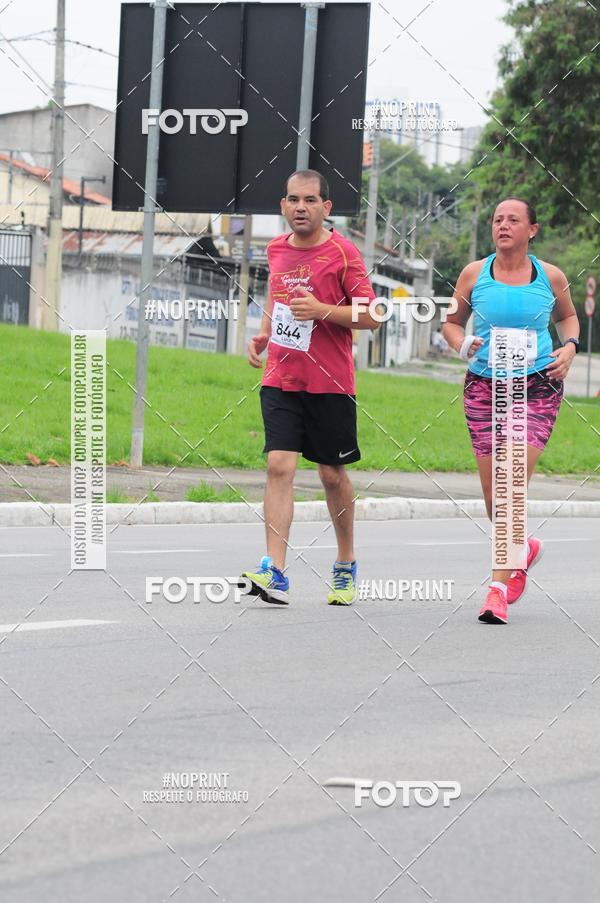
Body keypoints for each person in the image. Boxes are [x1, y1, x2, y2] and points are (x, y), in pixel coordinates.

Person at [240, 169, 379, 606]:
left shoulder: (343, 253)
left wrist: (322, 310)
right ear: (283, 205)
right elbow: (277, 296)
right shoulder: (276, 249)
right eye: (293, 199)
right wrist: (264, 333)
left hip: (330, 383)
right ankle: (275, 570)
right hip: (282, 377)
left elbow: (372, 315)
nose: (301, 207)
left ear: (325, 207)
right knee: (279, 464)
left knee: (330, 474)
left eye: (310, 200)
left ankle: (344, 563)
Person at [443, 197, 580, 624]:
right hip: (484, 387)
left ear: (531, 229)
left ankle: (497, 589)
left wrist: (570, 348)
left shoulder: (550, 276)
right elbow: (450, 322)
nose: (503, 225)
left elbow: (569, 318)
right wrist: (461, 343)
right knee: (492, 497)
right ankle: (522, 550)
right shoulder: (473, 274)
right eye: (497, 219)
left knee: (509, 483)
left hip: (537, 386)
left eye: (513, 219)